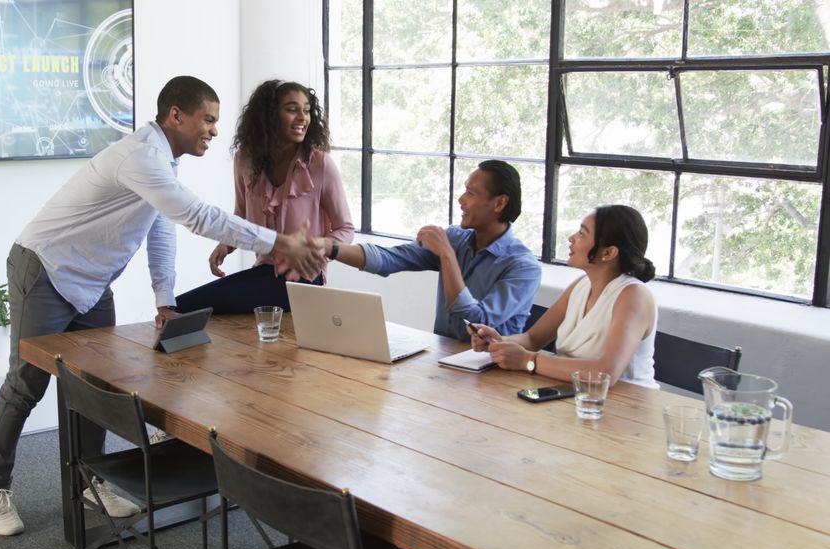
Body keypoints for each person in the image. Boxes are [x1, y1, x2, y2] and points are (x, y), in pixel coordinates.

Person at [0, 76, 326, 537]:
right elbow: (197, 216)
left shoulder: (165, 161)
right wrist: (280, 241)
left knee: (95, 386)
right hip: (45, 269)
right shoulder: (141, 156)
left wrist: (165, 299)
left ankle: (92, 481)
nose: (215, 131)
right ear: (175, 116)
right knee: (26, 383)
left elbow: (161, 228)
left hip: (94, 280)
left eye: (217, 122)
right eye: (208, 119)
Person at [174, 79, 354, 313]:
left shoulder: (320, 164)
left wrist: (316, 250)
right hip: (263, 273)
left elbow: (346, 228)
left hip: (303, 279)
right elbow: (242, 214)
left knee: (181, 307)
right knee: (183, 309)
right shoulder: (244, 160)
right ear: (269, 116)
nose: (303, 117)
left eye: (307, 111)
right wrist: (226, 245)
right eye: (292, 109)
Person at [322, 160, 541, 340]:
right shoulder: (456, 238)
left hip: (493, 374)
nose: (461, 200)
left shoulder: (523, 267)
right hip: (443, 362)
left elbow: (477, 322)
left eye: (471, 193)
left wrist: (446, 255)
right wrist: (329, 248)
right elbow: (391, 259)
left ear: (500, 203)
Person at [470, 204, 658, 388]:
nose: (571, 238)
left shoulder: (634, 295)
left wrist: (528, 360)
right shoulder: (580, 286)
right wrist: (499, 342)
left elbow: (605, 372)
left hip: (627, 408)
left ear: (608, 253)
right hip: (572, 395)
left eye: (582, 234)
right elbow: (533, 339)